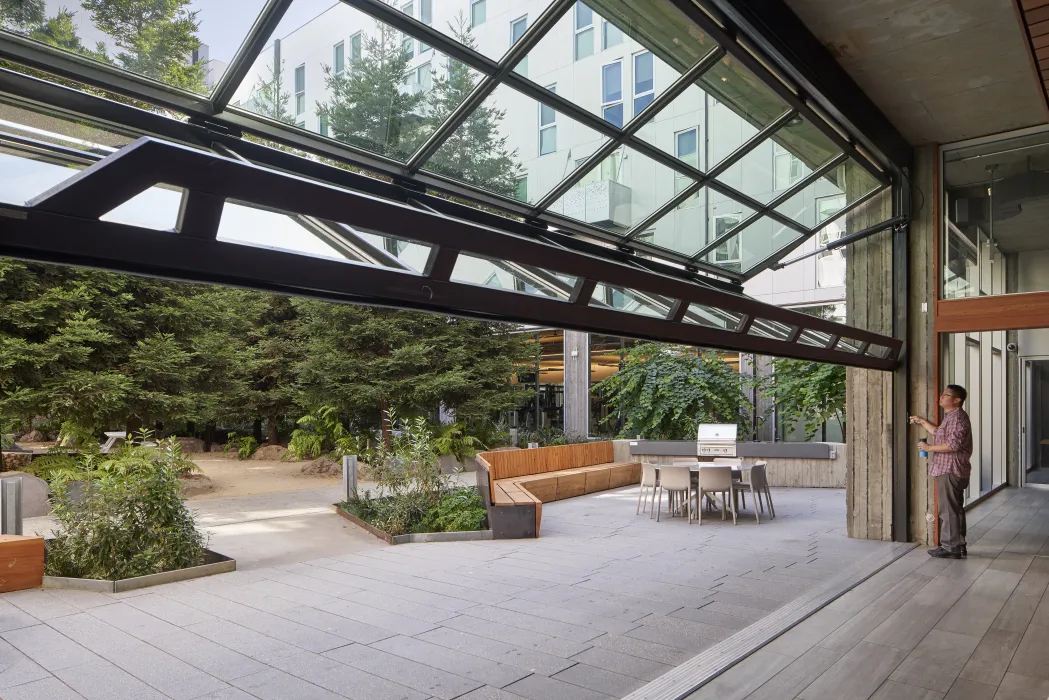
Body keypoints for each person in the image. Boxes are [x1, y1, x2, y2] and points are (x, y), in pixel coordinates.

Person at [910, 385, 973, 559]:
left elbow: (953, 445)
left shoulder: (957, 418)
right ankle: (958, 545)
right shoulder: (952, 417)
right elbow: (939, 433)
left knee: (948, 511)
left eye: (945, 395)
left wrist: (929, 447)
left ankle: (951, 547)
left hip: (950, 469)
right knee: (954, 509)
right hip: (952, 469)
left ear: (957, 400)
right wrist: (922, 421)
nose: (941, 397)